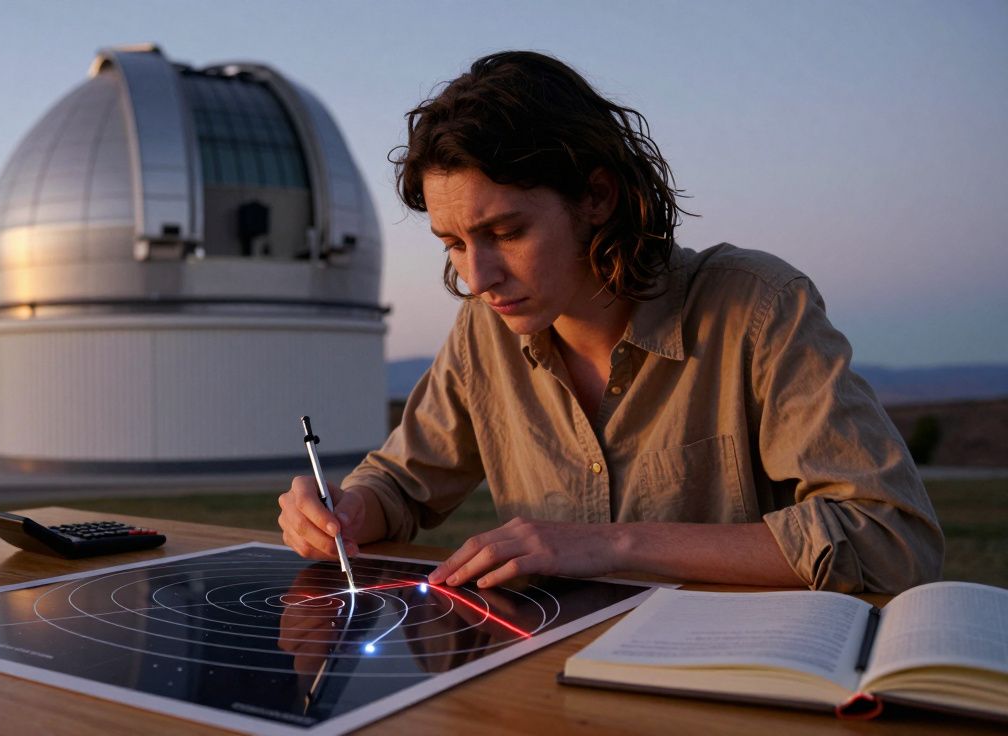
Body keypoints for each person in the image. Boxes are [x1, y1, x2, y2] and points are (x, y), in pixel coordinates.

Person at [277, 51, 942, 594]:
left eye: (505, 232)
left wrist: (607, 543)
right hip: (551, 686)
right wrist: (349, 509)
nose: (477, 278)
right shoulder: (487, 331)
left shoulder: (758, 308)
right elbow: (401, 484)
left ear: (597, 197)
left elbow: (889, 538)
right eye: (452, 243)